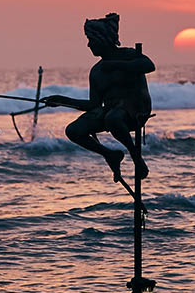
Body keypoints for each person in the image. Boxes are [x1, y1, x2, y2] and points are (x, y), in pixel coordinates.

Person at [43, 13, 155, 182]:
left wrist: (116, 65)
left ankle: (136, 158)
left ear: (103, 40)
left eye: (91, 40)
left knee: (113, 118)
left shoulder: (128, 54)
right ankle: (110, 155)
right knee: (73, 130)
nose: (88, 45)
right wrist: (62, 100)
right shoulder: (97, 71)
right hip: (111, 112)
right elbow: (94, 104)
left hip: (136, 110)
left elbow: (149, 65)